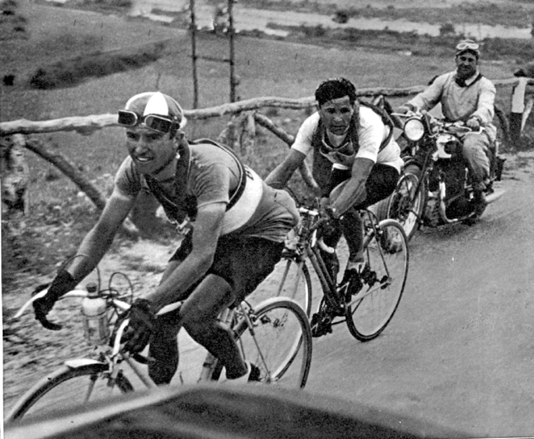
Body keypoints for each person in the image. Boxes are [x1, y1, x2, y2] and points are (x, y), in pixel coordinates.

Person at [32, 91, 300, 383]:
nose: (140, 148)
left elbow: (202, 257)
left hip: (259, 230)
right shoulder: (134, 170)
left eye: (152, 137)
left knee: (196, 316)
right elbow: (102, 233)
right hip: (212, 229)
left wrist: (148, 304)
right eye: (133, 136)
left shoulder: (207, 168)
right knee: (161, 320)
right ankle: (159, 403)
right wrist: (61, 284)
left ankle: (245, 376)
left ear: (177, 138)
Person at [265, 77, 403, 290]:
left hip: (383, 168)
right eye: (331, 111)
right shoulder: (312, 125)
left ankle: (358, 259)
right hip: (343, 168)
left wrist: (334, 211)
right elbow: (288, 166)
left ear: (354, 107)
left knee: (340, 206)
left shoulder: (368, 123)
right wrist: (260, 196)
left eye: (345, 111)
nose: (338, 119)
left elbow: (358, 179)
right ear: (319, 109)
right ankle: (332, 296)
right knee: (321, 236)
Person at [397, 39, 497, 206]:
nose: (465, 63)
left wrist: (477, 118)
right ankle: (425, 185)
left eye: (470, 60)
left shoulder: (485, 85)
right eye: (462, 59)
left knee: (470, 148)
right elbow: (426, 98)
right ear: (456, 59)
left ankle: (480, 185)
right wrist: (409, 106)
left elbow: (486, 107)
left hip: (476, 129)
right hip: (449, 126)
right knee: (421, 146)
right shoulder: (445, 80)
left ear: (476, 62)